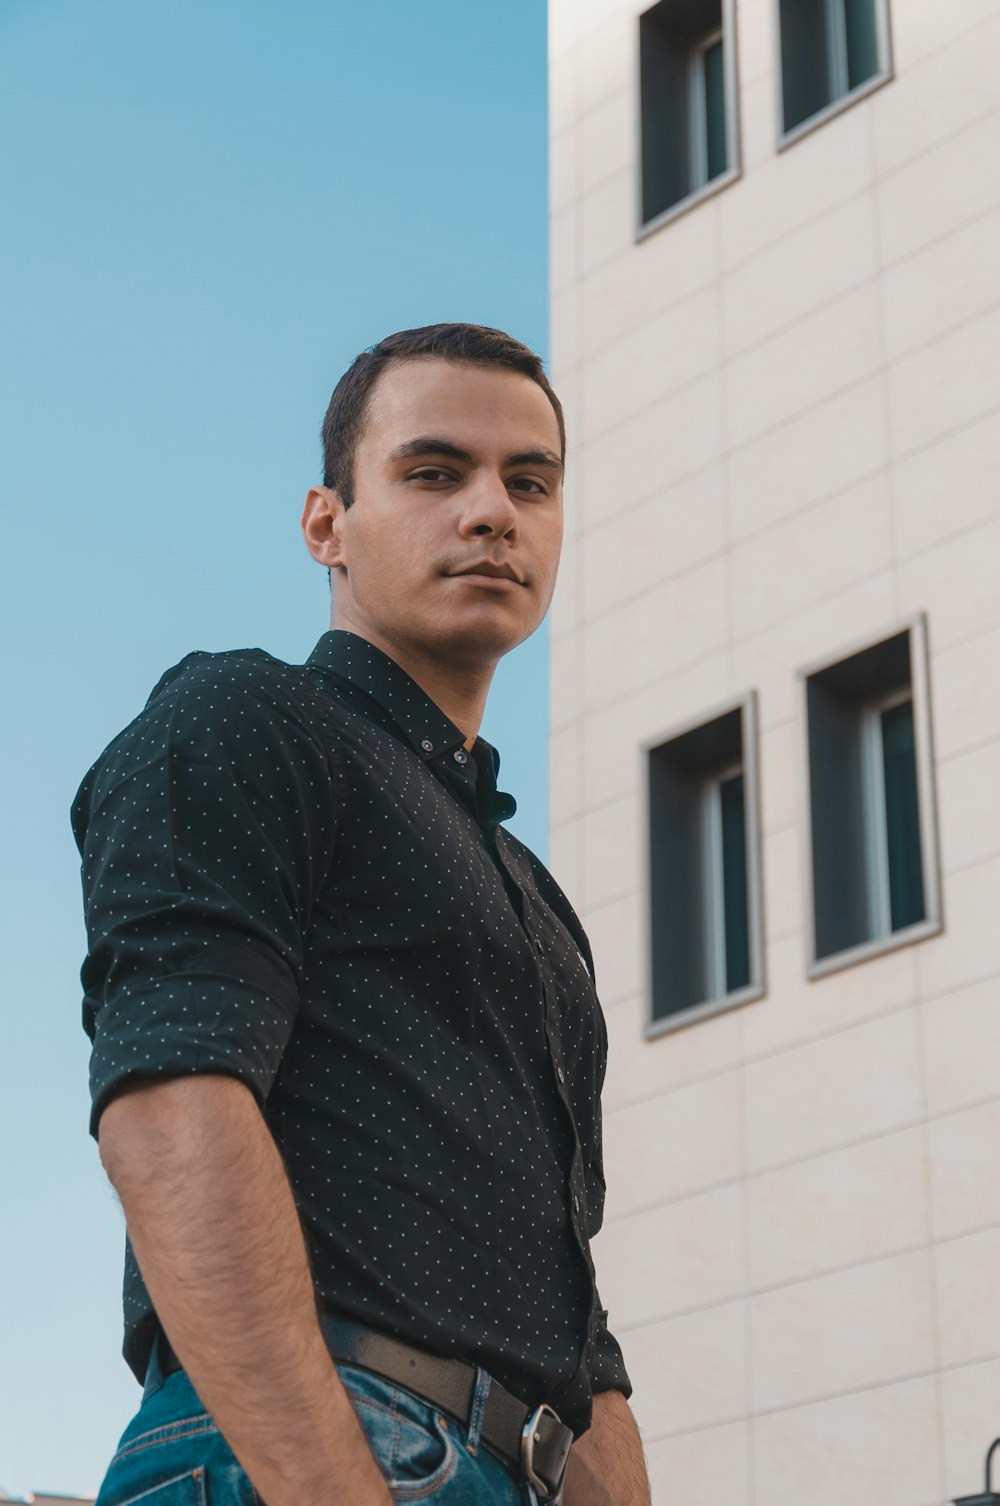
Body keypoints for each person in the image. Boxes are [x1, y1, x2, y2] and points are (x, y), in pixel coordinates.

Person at [71, 323, 651, 1506]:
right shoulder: (249, 720)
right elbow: (170, 1106)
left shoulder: (534, 901)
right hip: (324, 1447)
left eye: (528, 482)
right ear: (325, 523)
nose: (492, 511)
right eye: (435, 473)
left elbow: (573, 1331)